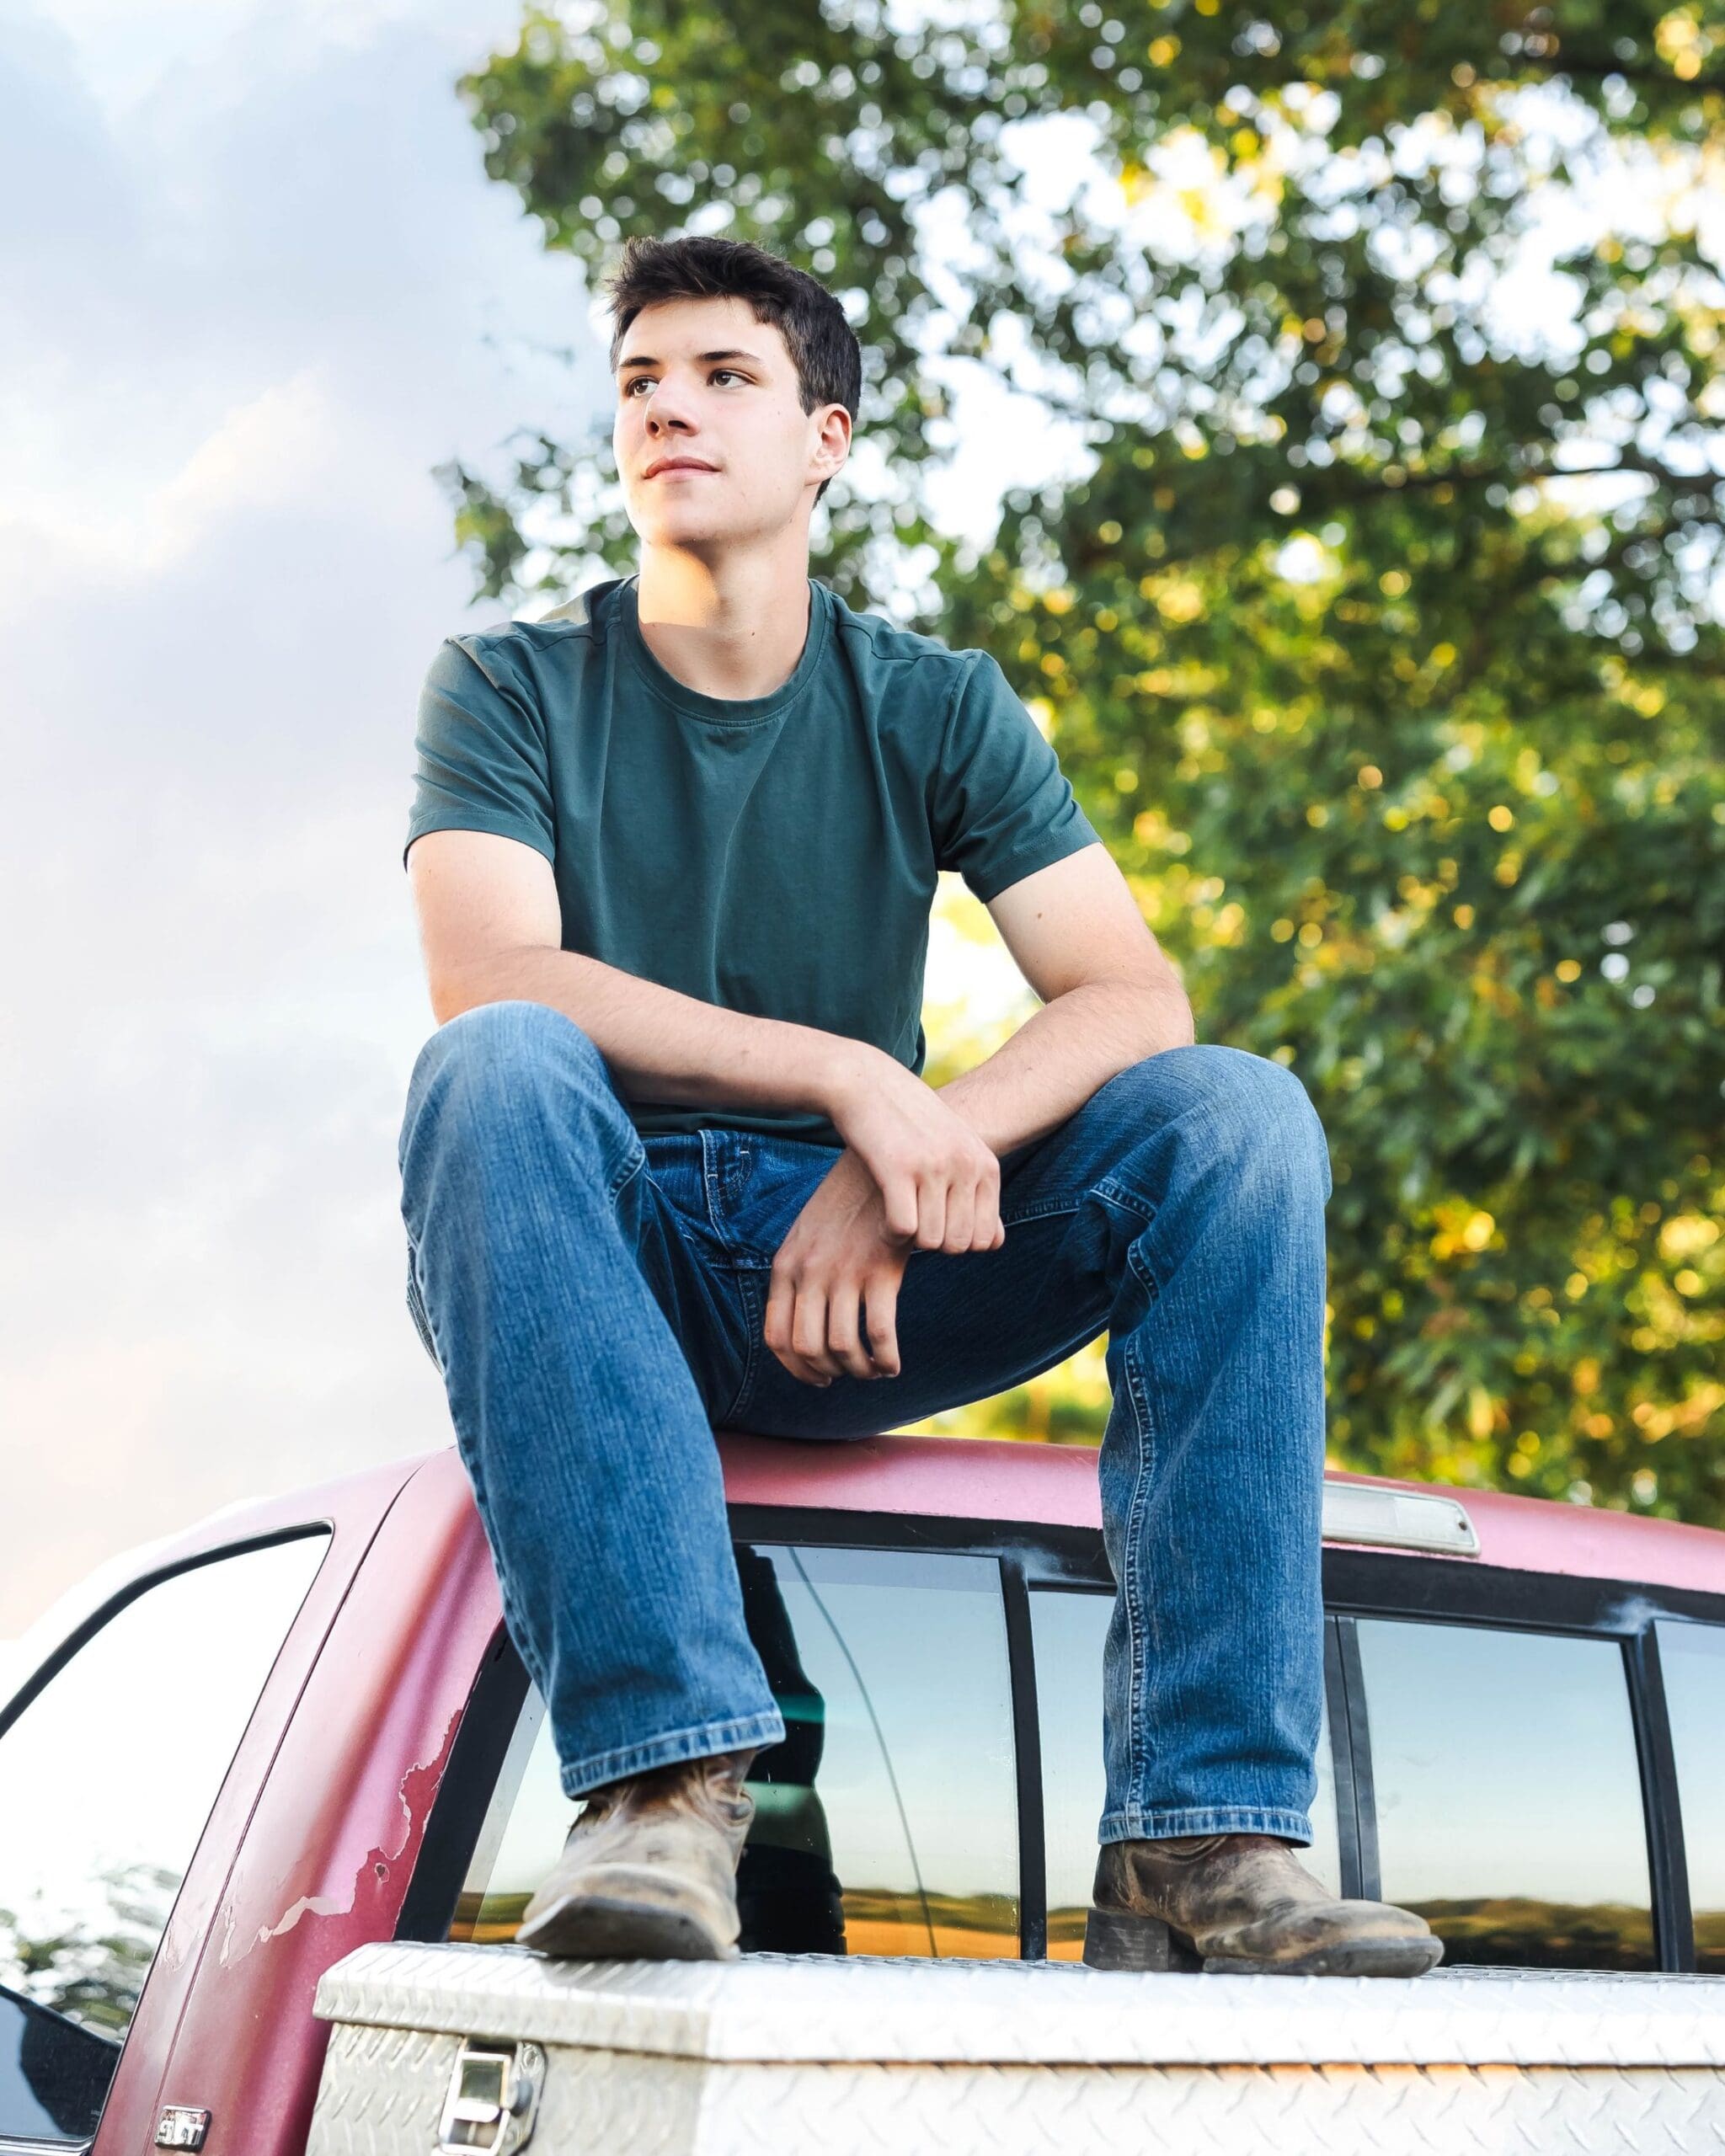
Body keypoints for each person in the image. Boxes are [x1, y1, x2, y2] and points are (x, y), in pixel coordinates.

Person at [396, 234, 1440, 1979]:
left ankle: (1201, 1825)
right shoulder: (504, 684)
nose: (668, 406)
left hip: (867, 1277)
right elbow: (494, 978)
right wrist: (852, 1075)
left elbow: (1131, 992)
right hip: (616, 1256)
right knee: (489, 1072)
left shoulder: (933, 701)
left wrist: (900, 1164)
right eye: (640, 380)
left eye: (722, 375)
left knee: (1236, 1117)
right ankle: (667, 1790)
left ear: (826, 436)